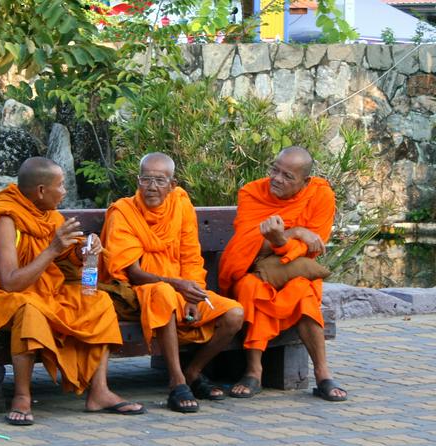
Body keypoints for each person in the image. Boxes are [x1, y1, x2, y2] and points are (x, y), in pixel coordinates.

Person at [0, 157, 145, 426]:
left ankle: (99, 391)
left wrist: (82, 252)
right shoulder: (6, 219)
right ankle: (22, 395)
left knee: (98, 301)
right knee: (30, 312)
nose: (65, 191)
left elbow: (65, 255)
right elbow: (10, 281)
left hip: (45, 290)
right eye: (61, 185)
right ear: (41, 191)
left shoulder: (48, 215)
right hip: (6, 296)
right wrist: (53, 249)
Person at [101, 152, 244, 413]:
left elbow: (190, 255)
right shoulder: (123, 211)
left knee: (234, 314)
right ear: (137, 180)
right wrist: (177, 286)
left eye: (159, 180)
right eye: (146, 179)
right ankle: (176, 381)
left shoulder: (180, 204)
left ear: (172, 183)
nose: (151, 187)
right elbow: (132, 272)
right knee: (164, 294)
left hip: (181, 286)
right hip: (142, 290)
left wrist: (191, 292)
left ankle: (193, 371)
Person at [218, 146, 348, 401]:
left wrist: (280, 240)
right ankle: (254, 370)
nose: (276, 179)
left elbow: (312, 248)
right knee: (249, 287)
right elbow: (247, 247)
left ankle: (322, 373)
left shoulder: (320, 194)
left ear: (305, 181)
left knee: (304, 292)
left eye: (288, 176)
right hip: (254, 269)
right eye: (274, 170)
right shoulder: (252, 192)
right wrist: (295, 233)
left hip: (295, 270)